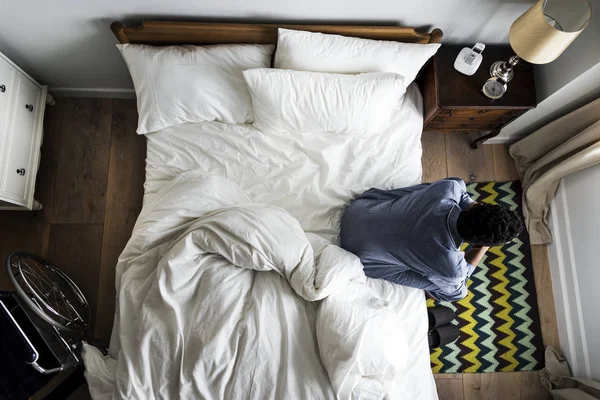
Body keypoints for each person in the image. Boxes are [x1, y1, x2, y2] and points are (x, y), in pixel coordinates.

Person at [340, 178, 523, 302]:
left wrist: (478, 212)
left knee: (430, 191)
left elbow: (461, 190)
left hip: (358, 210)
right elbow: (457, 289)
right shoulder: (452, 267)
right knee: (457, 290)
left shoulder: (450, 188)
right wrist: (482, 248)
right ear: (481, 242)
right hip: (358, 256)